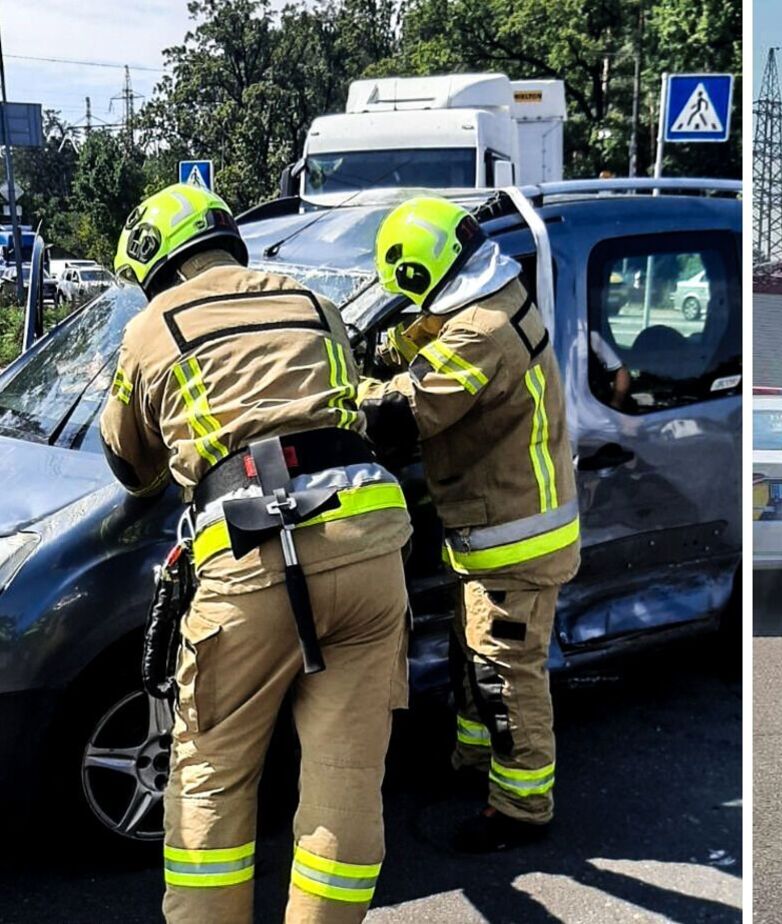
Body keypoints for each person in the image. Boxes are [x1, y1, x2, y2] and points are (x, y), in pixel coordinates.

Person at [101, 182, 414, 924]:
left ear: (152, 264)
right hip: (369, 545)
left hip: (249, 555)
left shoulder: (153, 326)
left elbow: (130, 460)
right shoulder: (312, 302)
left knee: (210, 779)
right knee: (345, 779)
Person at [360, 195, 580, 852]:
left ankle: (520, 806)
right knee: (475, 657)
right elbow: (432, 336)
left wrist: (347, 396)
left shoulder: (480, 331)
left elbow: (404, 414)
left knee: (505, 671)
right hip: (502, 529)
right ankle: (476, 759)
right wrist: (384, 345)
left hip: (514, 536)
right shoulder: (497, 295)